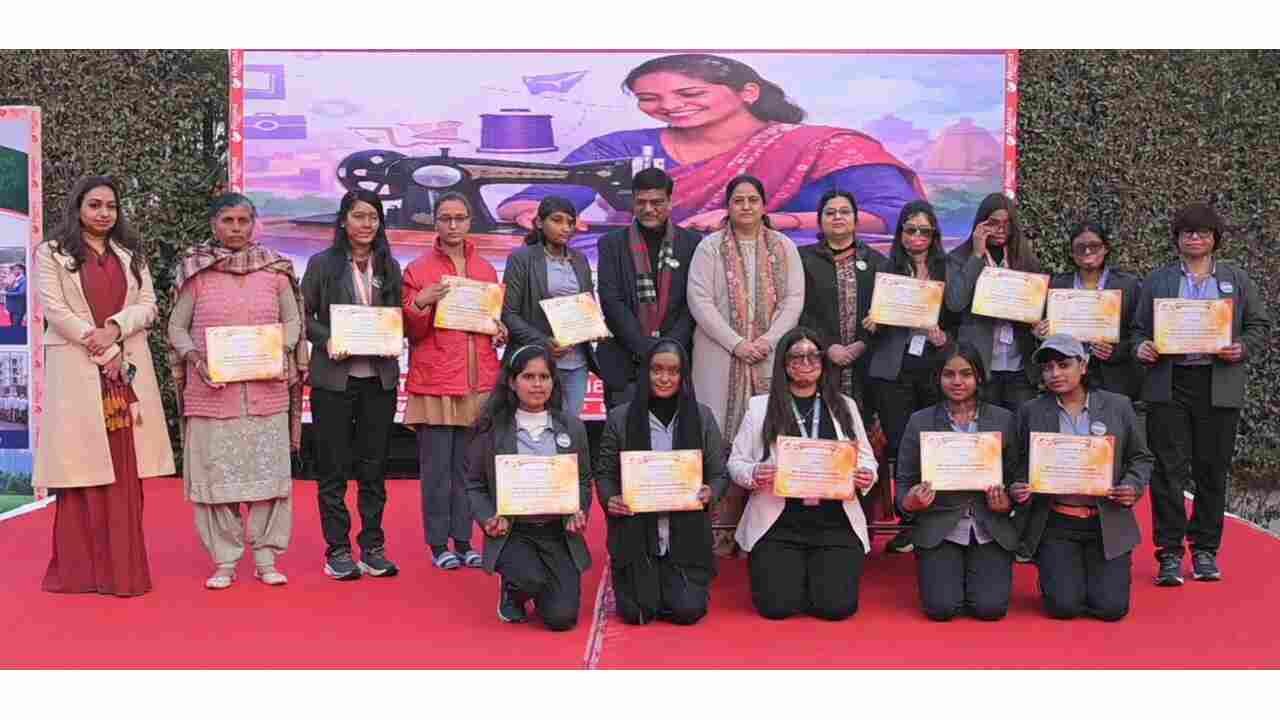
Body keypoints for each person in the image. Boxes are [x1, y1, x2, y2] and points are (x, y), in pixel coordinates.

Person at [497, 53, 925, 234]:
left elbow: (896, 217)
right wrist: (529, 212)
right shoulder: (617, 147)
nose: (668, 107)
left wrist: (769, 222)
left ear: (748, 92)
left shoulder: (825, 146)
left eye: (690, 94)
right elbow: (540, 197)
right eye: (649, 99)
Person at [34, 176, 175, 596]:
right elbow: (56, 311)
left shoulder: (131, 254)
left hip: (124, 375)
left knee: (123, 469)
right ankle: (79, 573)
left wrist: (115, 328)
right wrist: (104, 350)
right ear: (78, 207)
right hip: (78, 370)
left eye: (110, 206)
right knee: (81, 467)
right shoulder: (52, 253)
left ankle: (123, 572)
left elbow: (148, 306)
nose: (103, 213)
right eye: (94, 205)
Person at [167, 193, 304, 589]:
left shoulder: (275, 272)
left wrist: (275, 349)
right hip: (211, 395)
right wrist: (195, 359)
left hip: (267, 395)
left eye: (243, 221)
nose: (236, 228)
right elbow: (176, 327)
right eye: (227, 220)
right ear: (214, 225)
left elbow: (293, 322)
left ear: (253, 224)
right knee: (216, 480)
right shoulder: (196, 272)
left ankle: (266, 559)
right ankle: (224, 561)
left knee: (269, 480)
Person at [1132, 203, 1270, 586]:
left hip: (1217, 383)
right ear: (1177, 239)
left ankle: (1206, 550)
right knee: (1167, 472)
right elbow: (1138, 330)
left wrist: (1242, 347)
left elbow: (1259, 325)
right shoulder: (1158, 280)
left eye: (1202, 232)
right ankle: (1170, 553)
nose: (1194, 238)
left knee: (1212, 469)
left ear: (1215, 239)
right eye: (1187, 232)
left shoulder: (1236, 280)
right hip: (1170, 383)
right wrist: (1141, 347)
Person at [687, 175, 804, 555]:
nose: (747, 206)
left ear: (765, 204)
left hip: (770, 355)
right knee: (718, 437)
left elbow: (793, 299)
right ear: (729, 206)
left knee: (766, 437)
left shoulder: (784, 246)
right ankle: (718, 531)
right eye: (739, 200)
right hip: (719, 355)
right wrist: (737, 343)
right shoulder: (709, 247)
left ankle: (761, 530)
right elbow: (700, 300)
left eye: (753, 199)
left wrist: (769, 341)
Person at [727, 327, 878, 620]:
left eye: (813, 356)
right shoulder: (760, 408)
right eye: (796, 357)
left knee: (835, 608)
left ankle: (814, 576)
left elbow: (868, 460)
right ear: (784, 363)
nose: (806, 363)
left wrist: (865, 475)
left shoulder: (844, 405)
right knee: (776, 608)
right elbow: (736, 463)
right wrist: (755, 472)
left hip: (835, 523)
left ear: (823, 362)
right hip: (779, 523)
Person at [1010, 334, 1153, 621]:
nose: (1055, 374)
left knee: (1111, 609)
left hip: (1106, 521)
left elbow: (1141, 457)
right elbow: (1018, 464)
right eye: (1048, 368)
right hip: (1056, 522)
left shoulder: (1118, 406)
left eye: (1064, 365)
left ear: (1084, 366)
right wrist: (1018, 487)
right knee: (1063, 607)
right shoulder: (1031, 411)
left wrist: (1132, 485)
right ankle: (1057, 572)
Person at [402, 191, 508, 570]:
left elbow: (492, 323)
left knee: (469, 470)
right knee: (436, 472)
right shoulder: (417, 270)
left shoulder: (486, 270)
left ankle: (464, 541)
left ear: (469, 221)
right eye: (445, 218)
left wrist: (499, 330)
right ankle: (437, 544)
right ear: (435, 222)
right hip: (436, 380)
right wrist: (421, 302)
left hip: (479, 380)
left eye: (459, 218)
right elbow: (411, 331)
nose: (452, 225)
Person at [301, 189, 403, 581]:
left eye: (373, 217)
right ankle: (338, 550)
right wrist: (327, 339)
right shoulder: (323, 263)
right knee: (333, 468)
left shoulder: (389, 265)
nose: (366, 224)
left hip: (379, 380)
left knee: (374, 469)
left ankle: (373, 547)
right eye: (359, 216)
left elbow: (396, 317)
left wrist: (395, 334)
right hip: (334, 381)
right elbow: (302, 314)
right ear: (343, 220)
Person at [595, 339, 728, 625]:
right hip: (636, 531)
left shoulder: (702, 416)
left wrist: (711, 492)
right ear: (645, 372)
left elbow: (719, 474)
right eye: (657, 370)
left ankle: (672, 581)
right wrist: (610, 499)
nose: (664, 378)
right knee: (638, 613)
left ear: (683, 375)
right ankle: (647, 580)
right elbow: (604, 473)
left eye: (673, 371)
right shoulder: (620, 417)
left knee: (687, 612)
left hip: (686, 535)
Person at [464, 345, 593, 631]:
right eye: (528, 376)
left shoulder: (572, 427)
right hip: (514, 531)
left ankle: (541, 585)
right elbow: (475, 484)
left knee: (561, 619)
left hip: (557, 532)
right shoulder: (492, 428)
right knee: (530, 579)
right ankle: (515, 591)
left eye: (544, 377)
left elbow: (583, 480)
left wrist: (578, 511)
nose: (537, 384)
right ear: (512, 382)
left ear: (553, 382)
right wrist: (488, 518)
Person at [896, 342, 1019, 621]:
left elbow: (1017, 478)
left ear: (979, 377)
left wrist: (1007, 503)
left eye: (966, 374)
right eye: (948, 374)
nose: (957, 381)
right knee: (941, 609)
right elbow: (903, 483)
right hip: (940, 525)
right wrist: (911, 502)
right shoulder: (919, 421)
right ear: (937, 378)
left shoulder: (1004, 420)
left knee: (990, 609)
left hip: (990, 525)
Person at [864, 200, 957, 553]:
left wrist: (944, 340)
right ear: (901, 233)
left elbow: (960, 319)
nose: (917, 236)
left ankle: (937, 521)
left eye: (924, 230)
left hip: (935, 369)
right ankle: (908, 522)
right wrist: (872, 324)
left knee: (935, 444)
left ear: (934, 235)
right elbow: (868, 322)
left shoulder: (948, 270)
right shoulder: (884, 269)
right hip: (893, 371)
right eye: (910, 229)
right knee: (903, 445)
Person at [595, 167, 702, 408]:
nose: (648, 209)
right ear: (633, 202)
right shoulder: (611, 244)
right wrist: (645, 347)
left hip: (677, 362)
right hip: (625, 361)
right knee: (624, 428)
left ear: (670, 202)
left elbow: (695, 302)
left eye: (656, 202)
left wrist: (669, 348)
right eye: (641, 202)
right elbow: (611, 301)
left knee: (675, 429)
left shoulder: (692, 243)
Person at [500, 196, 600, 418]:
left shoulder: (580, 260)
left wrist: (595, 327)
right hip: (537, 364)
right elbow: (509, 314)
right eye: (557, 220)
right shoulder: (521, 258)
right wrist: (544, 343)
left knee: (570, 428)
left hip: (577, 362)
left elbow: (587, 306)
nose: (565, 228)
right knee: (538, 426)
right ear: (538, 222)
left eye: (570, 222)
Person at [945, 193, 1044, 412]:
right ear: (981, 224)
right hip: (981, 363)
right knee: (987, 427)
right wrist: (976, 255)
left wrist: (1038, 324)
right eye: (994, 223)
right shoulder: (959, 258)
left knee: (1020, 427)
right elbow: (955, 303)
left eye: (1006, 224)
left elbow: (1038, 309)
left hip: (1019, 365)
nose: (1000, 229)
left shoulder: (1026, 260)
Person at [798, 189, 887, 415]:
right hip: (816, 359)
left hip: (867, 361)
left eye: (845, 212)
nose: (837, 217)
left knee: (863, 423)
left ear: (856, 220)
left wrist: (862, 344)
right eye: (830, 213)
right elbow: (800, 310)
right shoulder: (802, 259)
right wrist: (827, 346)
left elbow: (886, 312)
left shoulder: (878, 262)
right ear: (820, 221)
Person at [1033, 222, 1142, 398]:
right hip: (1066, 373)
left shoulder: (1128, 285)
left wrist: (1116, 351)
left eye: (1094, 245)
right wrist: (1041, 333)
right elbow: (1044, 331)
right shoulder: (1057, 285)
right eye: (1080, 247)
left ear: (1105, 248)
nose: (1088, 251)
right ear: (1071, 252)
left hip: (1114, 377)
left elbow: (1139, 332)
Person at [4, 263, 25, 327]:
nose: (13, 271)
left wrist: (6, 293)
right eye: (13, 269)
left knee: (16, 325)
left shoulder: (24, 280)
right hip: (12, 307)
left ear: (21, 270)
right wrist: (7, 285)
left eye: (15, 269)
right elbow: (8, 289)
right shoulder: (15, 279)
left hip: (18, 308)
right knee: (13, 324)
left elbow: (21, 293)